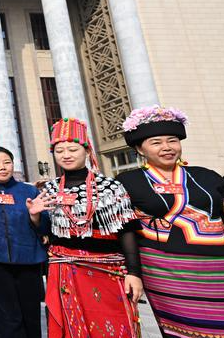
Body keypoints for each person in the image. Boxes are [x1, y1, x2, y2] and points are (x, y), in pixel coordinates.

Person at [116, 106, 224, 338]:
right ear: (139, 149)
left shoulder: (207, 175)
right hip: (166, 274)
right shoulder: (128, 181)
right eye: (156, 142)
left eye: (172, 140)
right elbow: (126, 229)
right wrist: (133, 272)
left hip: (218, 270)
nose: (167, 147)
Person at [41, 118, 143, 338]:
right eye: (59, 150)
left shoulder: (109, 186)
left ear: (87, 150)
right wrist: (33, 216)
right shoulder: (49, 188)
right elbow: (45, 234)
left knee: (114, 324)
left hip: (107, 269)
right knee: (70, 326)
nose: (66, 155)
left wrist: (134, 273)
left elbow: (126, 230)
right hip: (64, 270)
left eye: (72, 149)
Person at [0, 146, 52, 338]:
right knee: (6, 319)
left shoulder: (27, 190)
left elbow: (44, 228)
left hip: (28, 262)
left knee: (31, 316)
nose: (2, 167)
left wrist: (35, 216)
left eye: (7, 162)